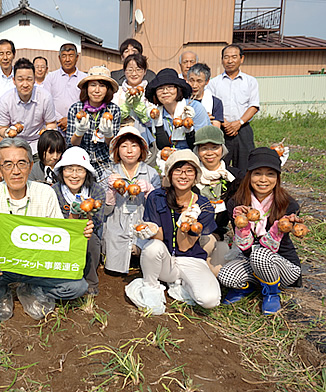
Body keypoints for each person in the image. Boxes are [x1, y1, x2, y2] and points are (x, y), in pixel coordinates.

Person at [0, 138, 92, 320]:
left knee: (78, 287)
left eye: (21, 163)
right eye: (8, 165)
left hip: (39, 266)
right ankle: (1, 290)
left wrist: (78, 230)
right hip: (1, 267)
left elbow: (60, 235)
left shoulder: (46, 193)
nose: (16, 171)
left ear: (30, 166)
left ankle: (32, 288)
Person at [125, 150, 221, 314]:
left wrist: (185, 224)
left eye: (189, 171)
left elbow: (184, 247)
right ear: (169, 174)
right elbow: (159, 238)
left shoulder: (203, 206)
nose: (183, 176)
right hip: (165, 260)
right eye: (178, 170)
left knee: (210, 300)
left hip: (191, 258)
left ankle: (180, 285)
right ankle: (151, 287)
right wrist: (151, 230)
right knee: (152, 246)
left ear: (196, 176)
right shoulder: (156, 197)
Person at [218, 148, 302, 315]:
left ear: (277, 178)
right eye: (257, 173)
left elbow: (271, 248)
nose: (263, 180)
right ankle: (251, 287)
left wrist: (282, 225)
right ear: (249, 176)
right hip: (251, 258)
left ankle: (272, 293)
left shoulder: (289, 205)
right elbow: (245, 248)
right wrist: (242, 226)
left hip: (283, 266)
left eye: (270, 174)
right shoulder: (236, 204)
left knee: (260, 254)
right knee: (225, 275)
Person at [104, 126, 160, 274]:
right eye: (124, 146)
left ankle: (138, 251)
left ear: (141, 149)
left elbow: (158, 209)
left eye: (134, 146)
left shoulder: (151, 173)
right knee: (113, 270)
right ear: (117, 150)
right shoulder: (110, 173)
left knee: (146, 263)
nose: (129, 151)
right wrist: (111, 191)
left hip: (142, 226)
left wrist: (150, 191)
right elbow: (105, 211)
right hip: (117, 228)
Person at [52, 146, 105, 295]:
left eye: (80, 170)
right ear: (62, 171)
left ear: (86, 173)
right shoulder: (54, 191)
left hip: (86, 234)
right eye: (69, 169)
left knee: (92, 241)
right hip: (61, 234)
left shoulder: (97, 191)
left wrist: (87, 217)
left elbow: (98, 223)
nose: (74, 175)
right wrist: (72, 216)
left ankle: (91, 281)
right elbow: (53, 222)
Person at [192, 126, 242, 276]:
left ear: (223, 148)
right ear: (197, 151)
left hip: (218, 234)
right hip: (193, 233)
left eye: (214, 147)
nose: (209, 153)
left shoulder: (234, 176)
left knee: (218, 273)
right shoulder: (191, 174)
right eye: (204, 148)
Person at [207, 44, 259, 172]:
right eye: (226, 57)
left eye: (234, 57)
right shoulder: (214, 83)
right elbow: (210, 105)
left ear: (242, 59)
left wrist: (238, 123)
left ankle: (242, 191)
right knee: (219, 164)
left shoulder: (250, 81)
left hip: (243, 129)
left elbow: (253, 105)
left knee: (245, 165)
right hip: (221, 128)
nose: (230, 61)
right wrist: (225, 123)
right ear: (222, 60)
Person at [66, 66, 121, 182]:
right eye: (93, 85)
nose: (97, 90)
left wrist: (108, 135)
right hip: (80, 163)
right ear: (86, 88)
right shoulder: (76, 109)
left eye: (102, 86)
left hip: (105, 164)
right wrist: (79, 133)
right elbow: (71, 144)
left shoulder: (113, 110)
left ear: (108, 89)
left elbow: (113, 147)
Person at [0, 58, 57, 154]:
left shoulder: (45, 97)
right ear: (14, 80)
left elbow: (51, 123)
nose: (25, 84)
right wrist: (8, 132)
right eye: (20, 80)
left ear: (34, 80)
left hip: (38, 144)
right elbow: (2, 128)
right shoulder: (5, 100)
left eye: (29, 79)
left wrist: (46, 133)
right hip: (14, 144)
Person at [144, 68, 210, 151]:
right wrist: (158, 123)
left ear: (178, 89)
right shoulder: (156, 113)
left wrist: (188, 128)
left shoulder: (194, 108)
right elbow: (163, 147)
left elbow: (200, 144)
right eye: (160, 88)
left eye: (170, 87)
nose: (165, 91)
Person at [112, 54, 156, 155]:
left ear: (145, 71)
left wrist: (140, 110)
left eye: (138, 69)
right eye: (130, 70)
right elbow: (113, 117)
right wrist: (126, 108)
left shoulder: (151, 92)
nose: (134, 73)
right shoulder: (117, 92)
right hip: (121, 139)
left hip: (145, 140)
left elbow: (153, 120)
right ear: (124, 71)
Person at [42, 43, 86, 133]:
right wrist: (60, 119)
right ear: (59, 58)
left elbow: (87, 103)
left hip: (78, 126)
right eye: (64, 56)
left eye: (71, 56)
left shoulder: (85, 78)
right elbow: (46, 102)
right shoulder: (50, 77)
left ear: (77, 57)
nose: (67, 60)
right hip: (55, 126)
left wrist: (71, 120)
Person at [187, 63, 224, 128]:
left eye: (199, 81)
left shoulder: (215, 102)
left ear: (207, 82)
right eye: (191, 81)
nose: (194, 85)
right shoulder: (182, 99)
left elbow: (216, 128)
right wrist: (202, 118)